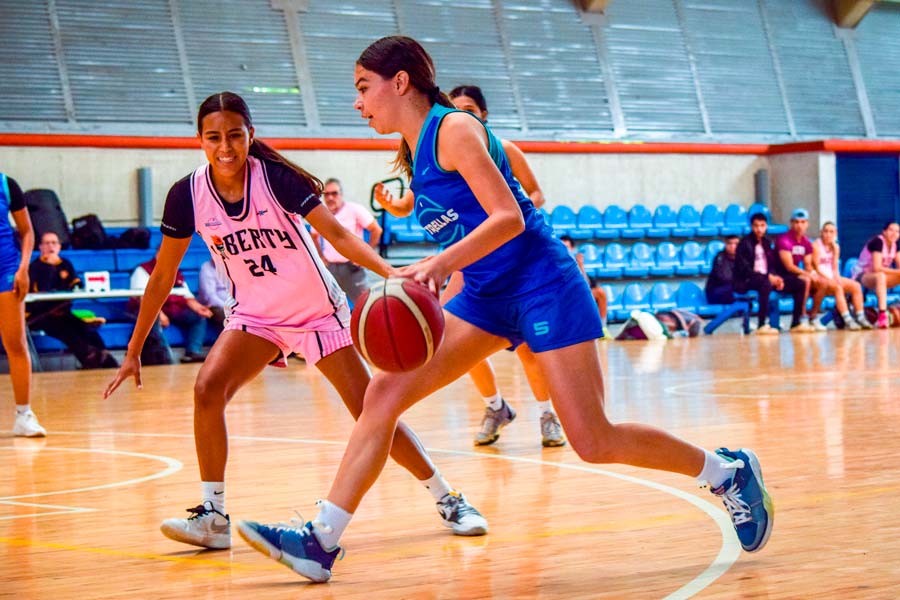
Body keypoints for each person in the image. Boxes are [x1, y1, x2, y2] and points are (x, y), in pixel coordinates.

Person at [238, 36, 774, 583]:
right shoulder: (416, 151)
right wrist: (435, 268)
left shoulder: (455, 130)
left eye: (362, 88)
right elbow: (472, 231)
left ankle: (727, 473)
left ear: (399, 82)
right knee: (384, 393)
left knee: (593, 440)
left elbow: (508, 219)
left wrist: (439, 264)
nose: (357, 103)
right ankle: (320, 540)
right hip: (488, 296)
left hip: (543, 284)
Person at [104, 91, 486, 552]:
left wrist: (394, 275)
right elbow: (162, 275)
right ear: (199, 141)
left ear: (250, 135)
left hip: (316, 314)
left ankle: (448, 498)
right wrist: (132, 348)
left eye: (234, 136)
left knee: (371, 413)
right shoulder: (186, 195)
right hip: (255, 317)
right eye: (213, 138)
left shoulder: (278, 180)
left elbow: (341, 235)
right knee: (207, 389)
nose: (225, 147)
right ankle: (213, 516)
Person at [374, 83, 566, 448]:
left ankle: (547, 413)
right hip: (466, 260)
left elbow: (534, 195)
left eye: (470, 110)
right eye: (456, 108)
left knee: (527, 347)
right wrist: (392, 203)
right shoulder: (434, 152)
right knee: (449, 336)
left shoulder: (502, 148)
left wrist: (516, 212)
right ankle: (495, 406)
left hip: (512, 257)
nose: (462, 116)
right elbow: (409, 204)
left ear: (483, 115)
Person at [28, 231, 119, 369]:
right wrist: (50, 268)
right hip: (41, 316)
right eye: (47, 243)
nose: (50, 246)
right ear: (40, 247)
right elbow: (41, 295)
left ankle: (106, 358)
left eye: (54, 243)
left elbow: (76, 285)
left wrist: (77, 287)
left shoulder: (65, 264)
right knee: (68, 332)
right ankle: (90, 359)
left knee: (84, 327)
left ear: (59, 246)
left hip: (62, 312)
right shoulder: (35, 267)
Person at [0, 172, 46, 437]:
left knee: (16, 343)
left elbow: (27, 231)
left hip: (7, 269)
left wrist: (24, 268)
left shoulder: (7, 184)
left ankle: (24, 415)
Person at [310, 178, 382, 306]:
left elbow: (376, 230)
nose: (330, 197)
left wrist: (366, 255)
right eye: (326, 194)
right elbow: (313, 235)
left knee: (366, 305)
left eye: (334, 193)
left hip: (353, 268)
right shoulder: (321, 214)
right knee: (329, 307)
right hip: (331, 269)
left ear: (341, 195)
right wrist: (321, 257)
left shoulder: (354, 210)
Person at [128, 257, 211, 364]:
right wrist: (159, 314)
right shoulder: (142, 270)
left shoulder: (175, 270)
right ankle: (164, 356)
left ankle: (193, 352)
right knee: (153, 319)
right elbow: (143, 298)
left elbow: (186, 295)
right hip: (151, 308)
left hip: (174, 308)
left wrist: (198, 308)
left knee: (198, 317)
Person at [733, 214, 786, 334]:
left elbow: (772, 265)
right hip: (746, 280)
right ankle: (762, 323)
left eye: (762, 226)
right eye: (756, 226)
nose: (759, 229)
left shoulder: (767, 242)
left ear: (766, 226)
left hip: (764, 278)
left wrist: (777, 278)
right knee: (766, 284)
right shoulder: (744, 244)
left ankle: (797, 322)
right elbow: (744, 270)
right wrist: (768, 277)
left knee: (796, 283)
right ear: (752, 227)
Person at [812, 222, 870, 330]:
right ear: (821, 233)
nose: (828, 234)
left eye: (831, 232)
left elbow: (834, 267)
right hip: (819, 278)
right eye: (826, 231)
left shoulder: (836, 247)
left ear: (836, 233)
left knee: (856, 286)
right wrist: (832, 280)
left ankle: (860, 317)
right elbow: (816, 267)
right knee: (838, 287)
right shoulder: (816, 245)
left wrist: (837, 278)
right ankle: (848, 320)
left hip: (830, 277)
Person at [851, 221, 900, 329]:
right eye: (891, 230)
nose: (894, 233)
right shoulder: (878, 242)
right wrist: (897, 272)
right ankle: (882, 315)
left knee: (882, 276)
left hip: (878, 278)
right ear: (884, 232)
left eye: (897, 231)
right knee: (880, 276)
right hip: (862, 276)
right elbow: (876, 268)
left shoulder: (895, 245)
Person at [774, 209, 817, 332]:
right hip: (780, 275)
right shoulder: (784, 240)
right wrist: (807, 274)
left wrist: (813, 274)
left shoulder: (806, 242)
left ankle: (813, 317)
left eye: (803, 222)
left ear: (807, 224)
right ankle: (801, 317)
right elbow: (789, 266)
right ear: (791, 223)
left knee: (820, 282)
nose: (800, 225)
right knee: (805, 281)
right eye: (796, 222)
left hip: (793, 276)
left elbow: (808, 264)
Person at [559, 235, 609, 331]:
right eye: (562, 247)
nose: (564, 250)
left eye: (566, 247)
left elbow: (587, 286)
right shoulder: (555, 263)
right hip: (562, 297)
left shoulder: (577, 264)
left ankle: (603, 328)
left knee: (600, 292)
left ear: (572, 249)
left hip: (579, 295)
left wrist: (581, 265)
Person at [705, 235, 738, 304]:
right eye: (729, 243)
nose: (733, 246)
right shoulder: (720, 258)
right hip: (716, 292)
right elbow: (725, 277)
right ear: (725, 245)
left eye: (736, 244)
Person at [196, 259, 228, 331]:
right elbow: (210, 297)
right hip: (213, 306)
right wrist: (229, 307)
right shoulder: (206, 268)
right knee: (229, 316)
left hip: (231, 305)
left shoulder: (232, 267)